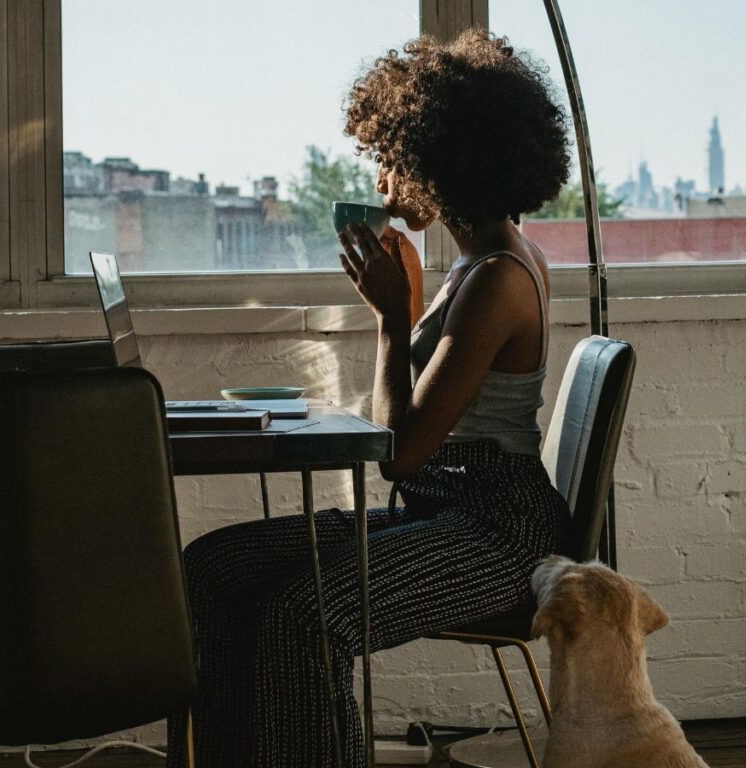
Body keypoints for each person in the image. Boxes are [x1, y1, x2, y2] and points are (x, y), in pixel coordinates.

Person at [167, 28, 573, 768]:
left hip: (494, 528)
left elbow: (404, 450)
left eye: (392, 158)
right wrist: (408, 304)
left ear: (440, 163)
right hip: (443, 508)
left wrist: (390, 319)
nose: (383, 178)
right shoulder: (476, 263)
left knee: (305, 618)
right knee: (212, 568)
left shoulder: (497, 280)